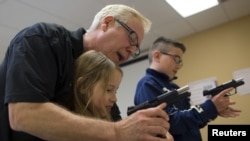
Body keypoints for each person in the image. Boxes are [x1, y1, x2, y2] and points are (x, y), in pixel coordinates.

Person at [0, 4, 170, 141]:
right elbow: (24, 115)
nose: (132, 50)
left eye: (137, 49)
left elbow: (118, 127)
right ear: (107, 23)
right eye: (132, 38)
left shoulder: (101, 79)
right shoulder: (43, 40)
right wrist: (117, 132)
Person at [134, 36, 242, 141]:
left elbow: (191, 124)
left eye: (180, 61)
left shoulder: (173, 87)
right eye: (176, 58)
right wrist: (211, 107)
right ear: (157, 56)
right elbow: (170, 124)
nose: (179, 65)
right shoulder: (147, 84)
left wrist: (214, 111)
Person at [72, 50, 174, 141]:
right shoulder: (69, 132)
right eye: (108, 90)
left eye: (115, 91)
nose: (114, 99)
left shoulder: (109, 122)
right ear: (83, 86)